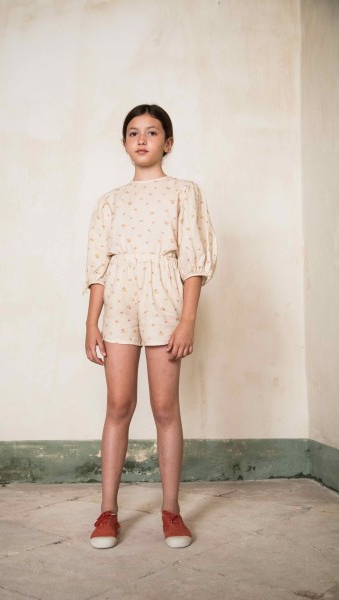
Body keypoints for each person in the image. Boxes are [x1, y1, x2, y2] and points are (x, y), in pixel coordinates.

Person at [83, 104, 217, 549]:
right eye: (133, 133)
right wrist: (91, 322)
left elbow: (193, 262)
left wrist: (187, 321)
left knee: (164, 409)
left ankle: (171, 511)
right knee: (118, 405)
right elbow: (99, 268)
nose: (142, 139)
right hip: (120, 302)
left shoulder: (184, 192)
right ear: (124, 143)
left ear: (168, 142)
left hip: (164, 301)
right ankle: (108, 512)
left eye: (152, 132)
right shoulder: (110, 201)